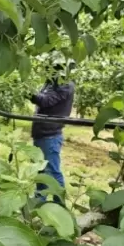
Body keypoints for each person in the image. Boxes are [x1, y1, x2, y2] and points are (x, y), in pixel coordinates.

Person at [29, 58, 75, 203]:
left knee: (53, 172)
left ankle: (59, 205)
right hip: (42, 133)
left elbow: (46, 100)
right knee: (41, 170)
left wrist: (30, 93)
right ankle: (39, 201)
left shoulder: (64, 84)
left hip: (50, 135)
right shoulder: (52, 82)